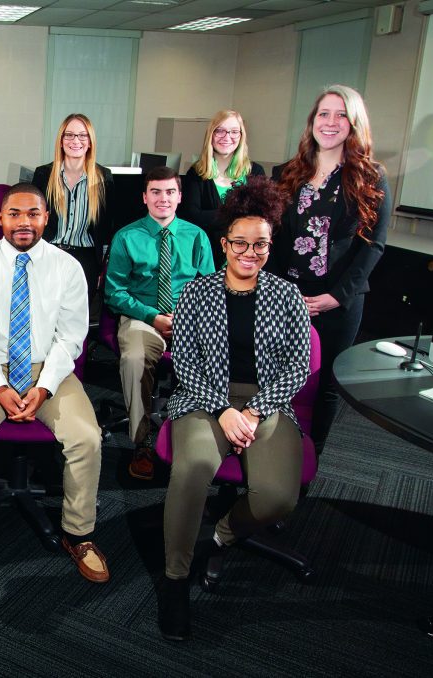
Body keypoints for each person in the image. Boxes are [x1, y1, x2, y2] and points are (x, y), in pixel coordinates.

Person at [157, 176, 311, 641]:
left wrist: (256, 410)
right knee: (194, 468)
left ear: (270, 245)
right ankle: (175, 580)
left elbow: (298, 363)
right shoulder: (196, 292)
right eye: (240, 243)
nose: (250, 253)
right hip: (205, 397)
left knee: (278, 497)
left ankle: (220, 535)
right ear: (223, 243)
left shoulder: (286, 296)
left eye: (260, 245)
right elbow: (182, 359)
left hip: (267, 402)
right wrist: (223, 408)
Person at [0, 183, 108, 583]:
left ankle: (78, 534)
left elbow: (71, 337)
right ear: (0, 218)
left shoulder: (67, 268)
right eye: (14, 213)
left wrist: (45, 386)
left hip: (48, 369)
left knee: (87, 438)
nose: (24, 222)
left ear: (46, 218)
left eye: (33, 213)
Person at [270, 84, 390, 454]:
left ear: (354, 125)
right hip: (286, 296)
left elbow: (374, 246)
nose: (331, 122)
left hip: (338, 302)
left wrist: (335, 298)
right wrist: (278, 291)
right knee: (276, 379)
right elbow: (274, 240)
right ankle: (268, 456)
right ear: (312, 121)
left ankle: (308, 460)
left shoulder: (370, 177)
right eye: (324, 113)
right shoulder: (287, 173)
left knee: (323, 388)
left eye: (341, 115)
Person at [104, 167, 214, 481]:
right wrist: (153, 317)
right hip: (143, 317)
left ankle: (195, 437)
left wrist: (186, 318)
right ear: (144, 197)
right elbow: (115, 293)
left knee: (217, 355)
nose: (162, 199)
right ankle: (142, 443)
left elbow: (208, 288)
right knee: (135, 358)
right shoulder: (127, 237)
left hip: (188, 318)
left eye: (169, 192)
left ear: (179, 197)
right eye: (155, 192)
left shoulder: (197, 237)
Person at [31, 113, 116, 303]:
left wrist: (103, 267)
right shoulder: (44, 174)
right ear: (61, 141)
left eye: (82, 135)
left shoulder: (104, 177)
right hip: (49, 252)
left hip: (85, 258)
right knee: (44, 311)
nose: (75, 140)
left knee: (74, 319)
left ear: (90, 141)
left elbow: (107, 227)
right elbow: (33, 219)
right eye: (69, 135)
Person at [179, 110, 265, 268]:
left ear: (241, 136)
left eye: (234, 131)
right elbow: (192, 217)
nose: (227, 137)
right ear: (211, 135)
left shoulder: (255, 173)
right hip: (207, 262)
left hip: (247, 261)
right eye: (220, 130)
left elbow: (262, 218)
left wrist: (217, 217)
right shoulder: (196, 173)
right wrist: (238, 214)